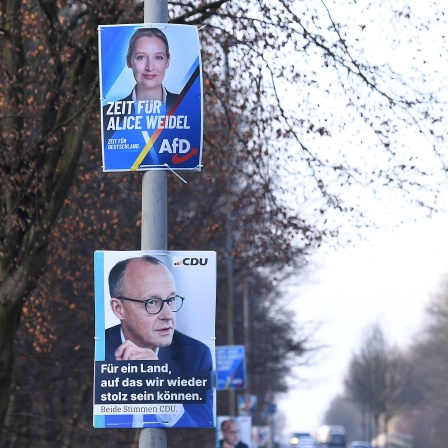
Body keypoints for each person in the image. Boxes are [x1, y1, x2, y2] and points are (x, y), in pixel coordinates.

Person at [104, 255, 213, 427]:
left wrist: (161, 386)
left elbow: (201, 428)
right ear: (119, 309)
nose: (168, 314)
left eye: (171, 300)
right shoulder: (97, 351)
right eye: (152, 302)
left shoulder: (195, 356)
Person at [102, 27, 179, 140]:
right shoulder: (108, 114)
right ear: (129, 61)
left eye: (158, 57)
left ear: (167, 61)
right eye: (141, 57)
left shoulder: (185, 107)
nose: (149, 67)